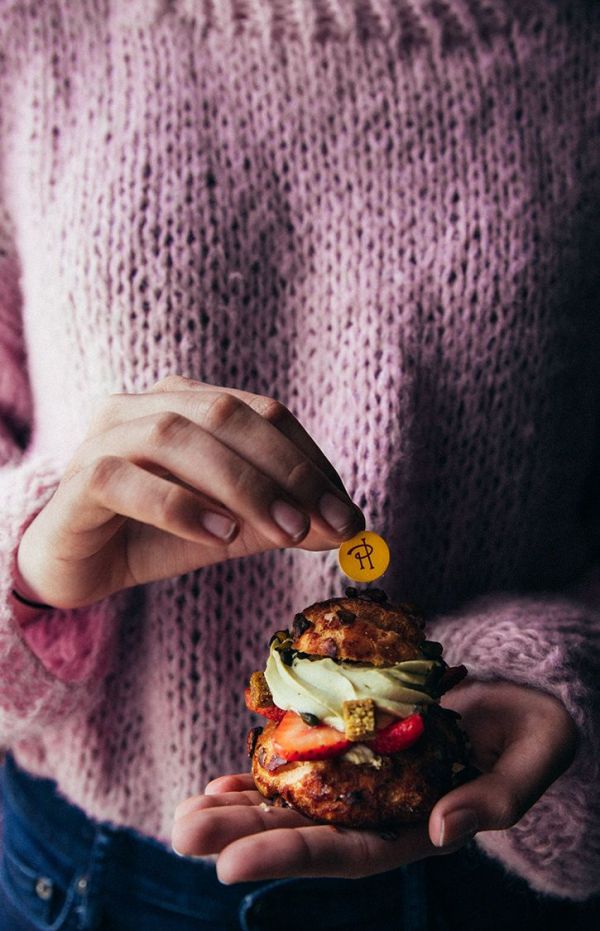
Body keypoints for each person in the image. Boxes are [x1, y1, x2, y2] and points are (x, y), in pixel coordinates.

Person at [0, 0, 598, 928]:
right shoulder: (33, 30)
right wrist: (31, 566)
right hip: (83, 876)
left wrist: (561, 671)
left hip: (482, 876)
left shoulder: (577, 48)